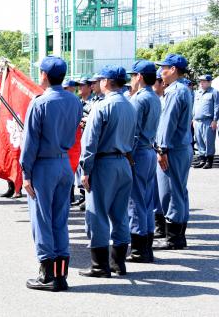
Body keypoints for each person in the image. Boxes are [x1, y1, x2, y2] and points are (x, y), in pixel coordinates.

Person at [21, 56, 82, 291]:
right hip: (64, 164)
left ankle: (47, 275)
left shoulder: (39, 103)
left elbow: (30, 143)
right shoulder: (75, 101)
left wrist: (26, 173)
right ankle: (61, 275)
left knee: (42, 220)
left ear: (45, 75)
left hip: (44, 166)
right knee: (60, 221)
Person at [78, 65, 136, 278]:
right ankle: (118, 263)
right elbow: (134, 138)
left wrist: (86, 169)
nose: (97, 83)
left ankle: (100, 266)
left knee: (98, 215)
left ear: (107, 81)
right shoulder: (130, 105)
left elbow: (90, 142)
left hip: (104, 164)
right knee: (120, 214)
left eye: (100, 79)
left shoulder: (102, 107)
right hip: (124, 162)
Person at [153, 54, 193, 250]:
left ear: (174, 69)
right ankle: (178, 236)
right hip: (181, 147)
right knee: (179, 190)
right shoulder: (182, 89)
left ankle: (174, 238)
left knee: (169, 192)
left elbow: (168, 123)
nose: (161, 71)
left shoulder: (175, 91)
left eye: (164, 68)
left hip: (173, 149)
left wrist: (162, 148)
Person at [126, 60, 161, 263]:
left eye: (133, 75)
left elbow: (133, 132)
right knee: (146, 200)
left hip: (138, 152)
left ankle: (139, 249)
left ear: (139, 76)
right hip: (148, 150)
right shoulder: (154, 97)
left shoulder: (138, 99)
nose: (131, 79)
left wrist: (127, 155)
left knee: (136, 200)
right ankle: (146, 246)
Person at [72, 78, 93, 209]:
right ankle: (81, 195)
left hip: (87, 137)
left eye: (82, 85)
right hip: (77, 138)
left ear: (90, 87)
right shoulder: (77, 103)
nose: (79, 88)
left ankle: (86, 197)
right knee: (78, 168)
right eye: (78, 85)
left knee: (85, 166)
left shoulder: (93, 104)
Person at [192, 75, 219, 169]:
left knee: (209, 141)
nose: (201, 83)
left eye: (204, 81)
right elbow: (194, 106)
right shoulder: (198, 92)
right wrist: (193, 118)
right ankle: (202, 159)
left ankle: (209, 160)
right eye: (200, 81)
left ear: (209, 82)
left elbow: (217, 107)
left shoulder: (214, 92)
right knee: (199, 141)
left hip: (208, 121)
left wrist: (215, 120)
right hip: (197, 121)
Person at [152, 67, 167, 239]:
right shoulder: (156, 100)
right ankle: (159, 224)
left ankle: (162, 227)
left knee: (161, 190)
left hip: (159, 149)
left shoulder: (163, 101)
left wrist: (160, 149)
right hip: (153, 148)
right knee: (155, 190)